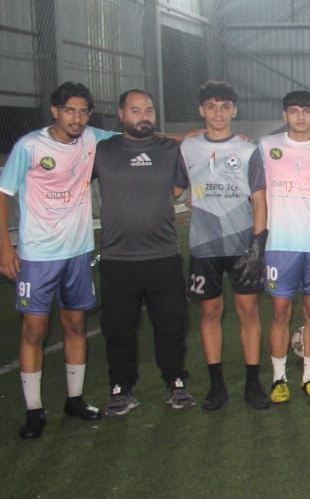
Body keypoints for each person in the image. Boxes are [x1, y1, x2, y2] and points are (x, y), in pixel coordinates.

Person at [0, 82, 111, 438]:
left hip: (78, 252)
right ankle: (34, 410)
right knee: (34, 329)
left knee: (75, 324)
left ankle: (74, 400)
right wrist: (5, 247)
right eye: (69, 111)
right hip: (37, 256)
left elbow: (140, 137)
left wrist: (192, 136)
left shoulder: (92, 138)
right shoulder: (29, 147)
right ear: (55, 111)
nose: (77, 118)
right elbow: (3, 193)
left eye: (83, 112)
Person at [93, 89, 192, 416]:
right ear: (121, 115)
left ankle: (175, 382)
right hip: (117, 259)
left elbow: (181, 186)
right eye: (135, 110)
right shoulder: (102, 151)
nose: (144, 115)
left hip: (163, 255)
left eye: (148, 109)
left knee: (171, 325)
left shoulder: (170, 150)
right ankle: (121, 388)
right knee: (118, 329)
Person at [180, 81, 270, 411]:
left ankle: (252, 383)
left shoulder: (248, 150)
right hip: (204, 245)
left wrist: (257, 246)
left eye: (225, 106)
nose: (218, 113)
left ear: (235, 110)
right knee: (210, 312)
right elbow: (176, 186)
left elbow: (259, 199)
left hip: (242, 244)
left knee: (248, 311)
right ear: (201, 110)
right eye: (212, 106)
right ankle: (216, 385)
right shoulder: (188, 148)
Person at [260, 90, 310, 404]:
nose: (301, 116)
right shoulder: (267, 146)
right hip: (280, 243)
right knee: (280, 310)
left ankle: (309, 378)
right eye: (294, 111)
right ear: (285, 115)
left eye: (306, 111)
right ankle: (279, 379)